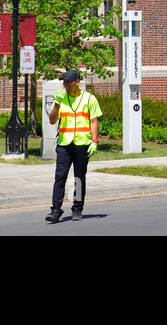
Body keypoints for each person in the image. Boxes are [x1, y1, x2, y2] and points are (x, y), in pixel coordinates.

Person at [45, 70, 101, 223]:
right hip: (64, 144)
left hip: (82, 144)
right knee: (60, 177)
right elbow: (52, 120)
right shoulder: (61, 99)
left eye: (68, 82)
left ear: (77, 82)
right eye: (64, 82)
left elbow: (93, 121)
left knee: (79, 178)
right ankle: (56, 210)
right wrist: (56, 103)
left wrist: (94, 141)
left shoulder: (89, 98)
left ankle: (77, 208)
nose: (66, 85)